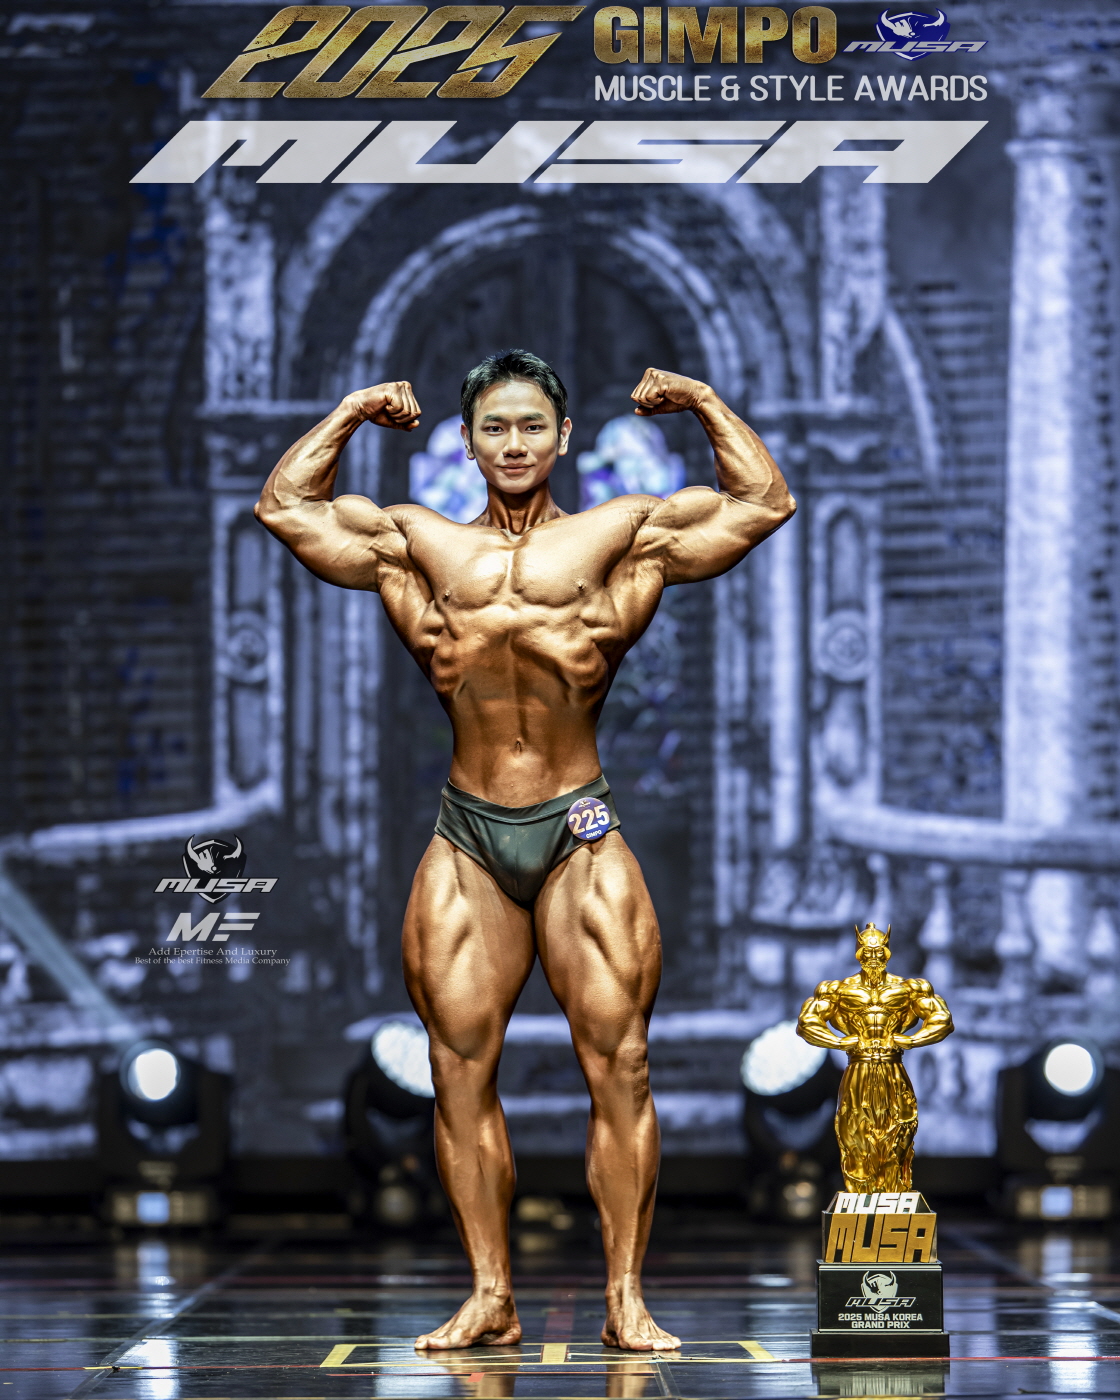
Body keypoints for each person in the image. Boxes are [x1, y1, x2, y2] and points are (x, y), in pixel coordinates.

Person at [256, 350, 796, 1350]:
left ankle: (625, 1297)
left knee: (621, 1065)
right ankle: (490, 1295)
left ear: (563, 437)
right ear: (468, 443)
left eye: (531, 426)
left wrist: (701, 399)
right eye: (494, 428)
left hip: (577, 825)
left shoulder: (620, 534)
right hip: (468, 833)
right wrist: (353, 409)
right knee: (458, 1069)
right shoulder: (415, 542)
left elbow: (764, 501)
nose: (513, 443)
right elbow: (285, 506)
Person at [795, 923, 954, 1193]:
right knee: (855, 1132)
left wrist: (912, 1040)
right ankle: (861, 1193)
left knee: (901, 1128)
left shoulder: (908, 988)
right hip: (859, 1066)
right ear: (859, 953)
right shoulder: (839, 990)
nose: (873, 958)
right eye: (867, 953)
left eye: (879, 952)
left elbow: (942, 1020)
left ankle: (893, 1192)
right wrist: (839, 1042)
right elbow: (807, 1023)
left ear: (887, 952)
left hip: (893, 1066)